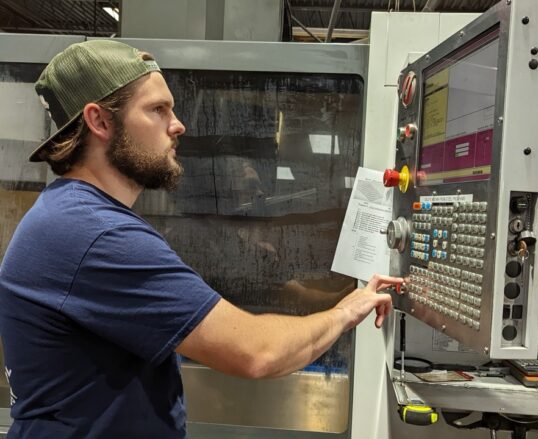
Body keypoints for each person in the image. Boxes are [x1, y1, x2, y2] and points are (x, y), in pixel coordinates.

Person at [0, 40, 402, 438]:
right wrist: (346, 312)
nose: (178, 125)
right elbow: (258, 353)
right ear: (100, 121)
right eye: (158, 109)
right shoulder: (96, 234)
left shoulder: (70, 216)